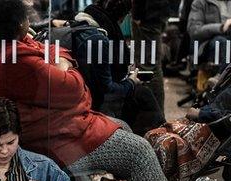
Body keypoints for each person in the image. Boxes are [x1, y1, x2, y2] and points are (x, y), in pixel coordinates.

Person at [0, 0, 190, 181]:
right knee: (139, 152)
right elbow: (76, 88)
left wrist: (57, 59)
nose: (30, 16)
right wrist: (63, 62)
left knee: (122, 127)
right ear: (16, 24)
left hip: (43, 125)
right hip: (54, 137)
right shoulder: (18, 60)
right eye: (26, 14)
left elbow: (51, 51)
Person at [70, 0, 166, 136]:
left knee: (142, 94)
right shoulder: (98, 39)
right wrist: (131, 82)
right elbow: (108, 91)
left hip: (84, 102)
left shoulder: (81, 23)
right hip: (95, 108)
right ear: (121, 16)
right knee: (143, 95)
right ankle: (162, 138)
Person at [131, 0, 170, 111]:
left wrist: (137, 15)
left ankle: (154, 116)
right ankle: (155, 115)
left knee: (149, 67)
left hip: (148, 16)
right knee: (152, 66)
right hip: (155, 14)